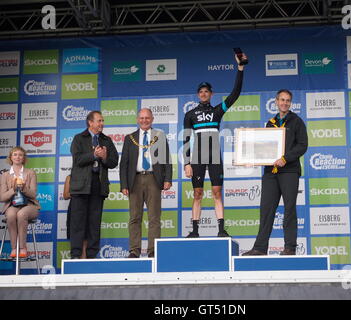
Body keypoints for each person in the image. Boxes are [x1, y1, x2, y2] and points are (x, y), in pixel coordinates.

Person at [183, 53, 247, 238]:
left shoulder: (218, 110)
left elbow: (235, 93)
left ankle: (221, 230)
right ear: (198, 95)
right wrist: (187, 163)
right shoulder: (190, 114)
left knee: (217, 192)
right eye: (201, 92)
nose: (203, 94)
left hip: (215, 157)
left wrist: (240, 69)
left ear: (211, 94)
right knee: (197, 193)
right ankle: (195, 231)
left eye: (207, 91)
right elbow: (186, 139)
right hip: (197, 158)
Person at [243, 89, 308, 256]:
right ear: (276, 102)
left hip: (289, 171)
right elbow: (264, 148)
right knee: (266, 209)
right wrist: (252, 157)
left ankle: (290, 248)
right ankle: (260, 248)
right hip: (270, 173)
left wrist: (285, 158)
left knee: (289, 209)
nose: (284, 103)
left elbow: (302, 145)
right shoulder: (270, 123)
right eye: (282, 100)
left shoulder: (297, 121)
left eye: (287, 100)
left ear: (290, 103)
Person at [120, 108, 172, 258]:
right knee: (135, 217)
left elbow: (167, 160)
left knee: (154, 217)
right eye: (141, 118)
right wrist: (124, 185)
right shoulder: (130, 138)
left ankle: (152, 250)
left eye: (147, 118)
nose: (144, 120)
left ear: (152, 119)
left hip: (153, 179)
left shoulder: (159, 136)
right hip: (134, 180)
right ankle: (134, 250)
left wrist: (167, 179)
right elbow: (124, 163)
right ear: (137, 119)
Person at [69, 111, 118, 259]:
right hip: (81, 186)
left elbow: (114, 162)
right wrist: (94, 155)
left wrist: (104, 157)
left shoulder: (106, 140)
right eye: (99, 121)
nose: (101, 123)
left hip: (98, 185)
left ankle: (91, 255)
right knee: (77, 223)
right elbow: (77, 159)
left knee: (94, 223)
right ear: (90, 123)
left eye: (102, 121)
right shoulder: (79, 138)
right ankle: (76, 255)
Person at [0, 147, 40, 258]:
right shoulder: (5, 175)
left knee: (21, 214)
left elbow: (33, 194)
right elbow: (2, 197)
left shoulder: (30, 173)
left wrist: (23, 188)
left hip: (29, 205)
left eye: (20, 155)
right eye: (15, 154)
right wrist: (13, 189)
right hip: (12, 205)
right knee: (11, 215)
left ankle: (22, 247)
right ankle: (14, 248)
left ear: (24, 158)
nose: (18, 157)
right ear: (11, 157)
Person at [63, 174, 87, 259]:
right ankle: (76, 257)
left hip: (87, 206)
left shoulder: (90, 177)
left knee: (86, 234)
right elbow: (65, 195)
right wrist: (79, 191)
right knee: (75, 232)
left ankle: (84, 259)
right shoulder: (70, 177)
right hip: (74, 207)